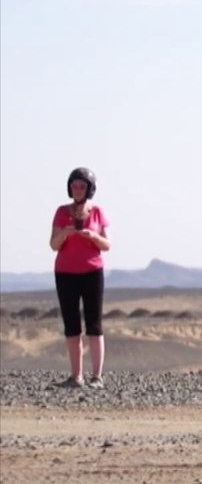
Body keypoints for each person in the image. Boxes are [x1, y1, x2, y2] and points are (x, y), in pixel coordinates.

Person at [48, 167, 112, 389]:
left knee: (94, 324)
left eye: (82, 186)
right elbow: (53, 245)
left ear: (89, 189)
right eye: (74, 185)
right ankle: (76, 376)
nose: (77, 189)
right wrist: (64, 233)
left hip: (92, 272)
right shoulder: (61, 211)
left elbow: (108, 245)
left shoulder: (97, 212)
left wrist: (93, 236)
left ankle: (97, 376)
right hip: (66, 274)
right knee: (71, 324)